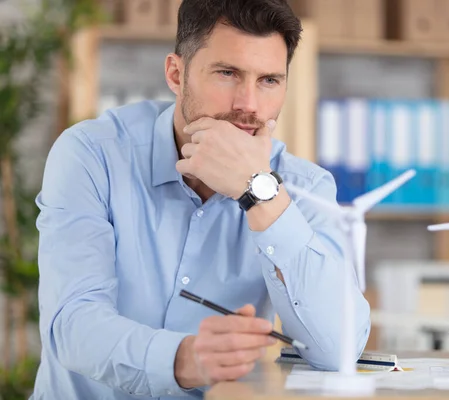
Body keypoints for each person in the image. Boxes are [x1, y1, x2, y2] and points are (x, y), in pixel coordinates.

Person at [30, 0, 370, 398]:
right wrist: (184, 358)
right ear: (176, 74)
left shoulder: (303, 186)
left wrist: (260, 191)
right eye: (227, 73)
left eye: (269, 81)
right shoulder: (92, 155)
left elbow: (339, 350)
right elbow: (72, 325)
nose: (248, 104)